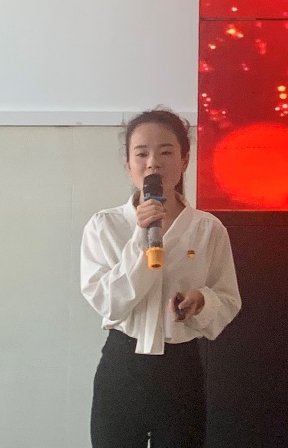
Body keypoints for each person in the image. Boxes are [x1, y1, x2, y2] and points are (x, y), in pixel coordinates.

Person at [80, 107, 241, 448]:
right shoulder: (105, 225)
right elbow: (109, 303)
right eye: (141, 154)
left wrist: (202, 301)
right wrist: (141, 235)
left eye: (166, 152)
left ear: (184, 161)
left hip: (181, 369)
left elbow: (228, 300)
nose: (153, 163)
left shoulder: (208, 229)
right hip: (122, 366)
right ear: (129, 165)